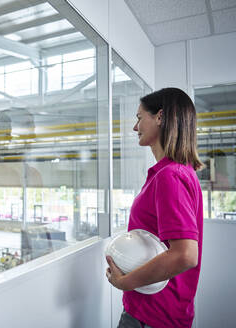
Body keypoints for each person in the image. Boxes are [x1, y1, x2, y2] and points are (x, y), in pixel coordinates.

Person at [105, 88, 204, 328]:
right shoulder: (175, 172)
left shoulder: (170, 176)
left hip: (153, 316)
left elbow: (185, 254)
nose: (135, 127)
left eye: (139, 118)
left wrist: (126, 282)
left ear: (160, 117)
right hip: (156, 311)